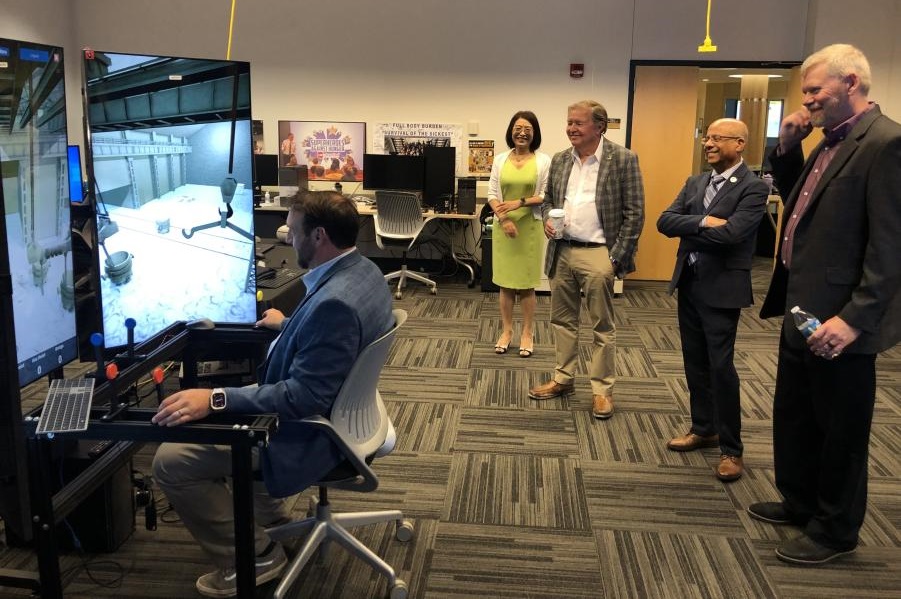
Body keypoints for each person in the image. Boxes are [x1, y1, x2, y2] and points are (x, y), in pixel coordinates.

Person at [151, 191, 395, 596]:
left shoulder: (333, 305)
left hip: (312, 433)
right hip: (351, 413)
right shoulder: (364, 271)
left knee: (171, 461)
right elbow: (333, 344)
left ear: (318, 236)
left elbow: (303, 396)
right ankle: (275, 517)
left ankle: (255, 557)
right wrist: (290, 326)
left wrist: (215, 398)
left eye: (293, 230)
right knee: (233, 405)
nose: (286, 237)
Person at [749, 43, 901, 565]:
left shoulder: (885, 143)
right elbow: (804, 206)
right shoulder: (829, 143)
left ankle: (835, 530)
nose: (806, 100)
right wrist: (787, 148)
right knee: (796, 415)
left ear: (852, 83)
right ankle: (801, 502)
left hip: (841, 318)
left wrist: (856, 319)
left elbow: (891, 247)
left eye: (815, 90)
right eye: (806, 91)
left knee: (840, 427)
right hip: (803, 306)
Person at [656, 118, 768, 482]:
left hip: (722, 289)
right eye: (707, 138)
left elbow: (735, 235)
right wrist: (705, 223)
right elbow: (664, 221)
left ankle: (732, 450)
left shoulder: (752, 188)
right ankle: (704, 428)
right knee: (694, 362)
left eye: (717, 138)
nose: (708, 143)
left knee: (721, 368)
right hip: (689, 283)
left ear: (740, 144)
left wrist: (690, 229)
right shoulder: (696, 181)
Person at [528, 100, 645, 420]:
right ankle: (563, 378)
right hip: (562, 250)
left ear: (599, 127)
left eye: (578, 123)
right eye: (569, 122)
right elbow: (549, 199)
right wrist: (547, 222)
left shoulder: (623, 159)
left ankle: (602, 390)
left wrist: (615, 258)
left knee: (601, 327)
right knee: (562, 321)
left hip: (599, 253)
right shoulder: (561, 159)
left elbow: (635, 214)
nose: (571, 128)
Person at [487, 110, 551, 358]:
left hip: (530, 229)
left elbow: (545, 194)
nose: (522, 132)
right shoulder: (500, 159)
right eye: (518, 128)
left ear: (534, 134)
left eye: (527, 129)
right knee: (505, 284)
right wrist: (503, 218)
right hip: (504, 227)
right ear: (511, 131)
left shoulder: (543, 161)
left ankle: (527, 332)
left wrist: (519, 203)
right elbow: (492, 193)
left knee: (525, 285)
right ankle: (506, 331)